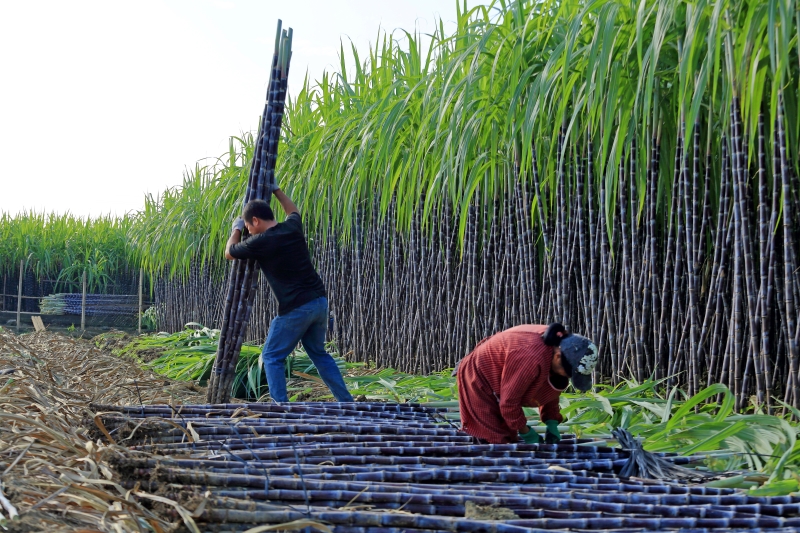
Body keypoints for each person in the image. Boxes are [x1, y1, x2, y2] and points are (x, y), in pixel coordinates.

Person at [224, 187, 354, 403]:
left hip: (296, 308)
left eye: (248, 225)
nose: (248, 229)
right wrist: (277, 190)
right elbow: (293, 211)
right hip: (319, 302)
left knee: (271, 356)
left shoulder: (261, 242)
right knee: (319, 355)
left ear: (255, 220)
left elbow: (229, 252)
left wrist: (236, 230)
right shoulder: (292, 228)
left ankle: (281, 409)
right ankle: (347, 403)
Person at [456, 323, 597, 444]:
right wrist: (526, 432)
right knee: (496, 438)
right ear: (558, 357)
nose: (566, 376)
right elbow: (509, 403)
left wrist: (551, 422)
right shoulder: (530, 358)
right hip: (479, 376)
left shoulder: (556, 345)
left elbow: (551, 388)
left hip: (503, 378)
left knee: (509, 436)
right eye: (567, 372)